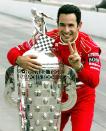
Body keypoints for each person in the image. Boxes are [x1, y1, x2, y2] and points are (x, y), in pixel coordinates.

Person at [7, 4, 101, 131]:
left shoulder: (88, 46)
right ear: (57, 24)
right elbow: (13, 52)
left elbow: (94, 81)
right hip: (55, 97)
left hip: (82, 99)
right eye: (62, 24)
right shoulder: (49, 38)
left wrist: (78, 67)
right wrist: (19, 60)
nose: (66, 30)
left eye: (71, 25)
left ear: (79, 25)